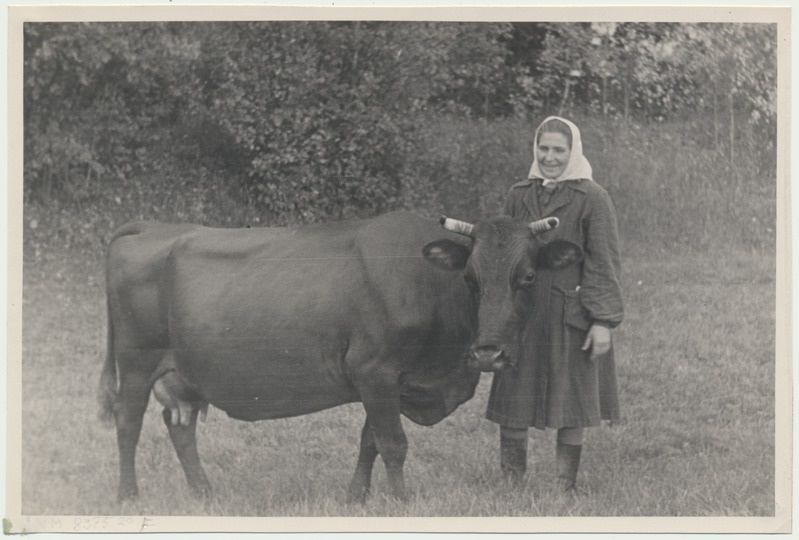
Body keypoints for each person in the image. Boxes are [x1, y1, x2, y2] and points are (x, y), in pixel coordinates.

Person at [485, 116, 624, 492]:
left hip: (570, 314)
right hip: (524, 314)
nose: (549, 157)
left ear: (573, 151)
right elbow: (506, 255)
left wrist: (603, 321)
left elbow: (603, 260)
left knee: (572, 398)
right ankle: (512, 483)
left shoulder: (591, 197)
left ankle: (565, 485)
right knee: (515, 393)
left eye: (558, 150)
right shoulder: (519, 194)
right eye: (543, 148)